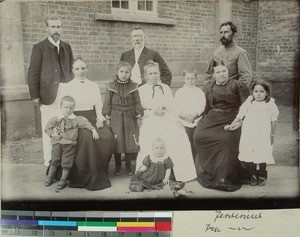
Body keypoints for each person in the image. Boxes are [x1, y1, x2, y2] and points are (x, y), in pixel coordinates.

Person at [56, 58, 115, 191]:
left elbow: (98, 104)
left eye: (83, 68)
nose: (81, 71)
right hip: (74, 118)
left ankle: (101, 170)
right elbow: (62, 107)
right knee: (88, 138)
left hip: (92, 117)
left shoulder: (93, 85)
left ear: (87, 69)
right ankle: (86, 174)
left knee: (108, 137)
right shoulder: (67, 86)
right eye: (77, 68)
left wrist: (100, 118)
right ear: (72, 70)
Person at [136, 60, 197, 182]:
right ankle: (153, 172)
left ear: (159, 73)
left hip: (166, 117)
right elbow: (139, 111)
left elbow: (171, 108)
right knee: (154, 138)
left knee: (180, 135)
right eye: (150, 73)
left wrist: (177, 121)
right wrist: (153, 112)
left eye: (155, 73)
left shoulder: (166, 88)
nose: (153, 76)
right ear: (145, 75)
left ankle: (180, 173)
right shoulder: (141, 90)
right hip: (150, 118)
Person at [193, 60, 249, 191]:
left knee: (225, 140)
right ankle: (210, 170)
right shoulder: (208, 87)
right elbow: (205, 107)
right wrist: (197, 118)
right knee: (198, 136)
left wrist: (240, 121)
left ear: (228, 72)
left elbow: (246, 107)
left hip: (231, 118)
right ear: (213, 74)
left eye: (224, 71)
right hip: (212, 118)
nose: (222, 74)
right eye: (218, 72)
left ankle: (224, 176)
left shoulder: (237, 85)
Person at [27, 16, 74, 167]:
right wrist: (35, 96)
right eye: (53, 27)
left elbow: (72, 70)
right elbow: (33, 74)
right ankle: (49, 160)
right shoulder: (39, 47)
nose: (56, 30)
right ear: (46, 28)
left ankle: (65, 159)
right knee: (48, 126)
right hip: (47, 94)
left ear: (62, 29)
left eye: (59, 27)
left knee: (66, 125)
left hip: (65, 90)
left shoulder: (67, 47)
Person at [225, 80, 279, 186]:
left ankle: (262, 175)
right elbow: (240, 115)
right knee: (250, 153)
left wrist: (272, 134)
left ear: (267, 93)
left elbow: (274, 120)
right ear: (252, 92)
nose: (258, 94)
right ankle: (253, 175)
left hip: (263, 134)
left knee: (262, 153)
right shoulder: (249, 102)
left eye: (262, 91)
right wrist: (231, 124)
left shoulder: (270, 104)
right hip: (249, 133)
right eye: (256, 91)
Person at [44, 96, 99, 191]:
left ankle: (63, 180)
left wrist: (93, 130)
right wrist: (52, 134)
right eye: (66, 107)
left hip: (69, 145)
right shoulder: (56, 118)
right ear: (60, 107)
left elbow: (86, 123)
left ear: (74, 108)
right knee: (55, 160)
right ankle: (49, 178)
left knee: (66, 162)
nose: (68, 110)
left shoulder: (76, 119)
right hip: (57, 143)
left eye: (71, 108)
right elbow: (47, 128)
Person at [102, 61, 144, 176]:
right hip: (116, 116)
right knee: (117, 141)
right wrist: (107, 116)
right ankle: (118, 166)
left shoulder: (134, 86)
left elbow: (137, 102)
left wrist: (138, 115)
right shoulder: (111, 86)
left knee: (129, 141)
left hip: (130, 116)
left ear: (130, 73)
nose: (124, 74)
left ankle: (129, 166)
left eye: (127, 72)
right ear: (117, 72)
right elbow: (107, 103)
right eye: (121, 71)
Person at [204, 21, 252, 88]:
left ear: (233, 34)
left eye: (226, 32)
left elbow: (245, 77)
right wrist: (208, 89)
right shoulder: (216, 52)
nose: (223, 35)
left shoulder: (240, 53)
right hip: (215, 92)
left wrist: (235, 91)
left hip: (232, 93)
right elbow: (208, 73)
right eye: (221, 32)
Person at [174, 67, 206, 159]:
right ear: (184, 79)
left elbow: (202, 105)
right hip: (182, 120)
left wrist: (194, 115)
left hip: (195, 120)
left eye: (192, 78)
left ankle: (194, 159)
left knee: (194, 140)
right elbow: (176, 106)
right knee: (184, 140)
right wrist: (184, 116)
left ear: (196, 79)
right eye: (188, 78)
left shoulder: (199, 92)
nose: (190, 81)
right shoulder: (179, 92)